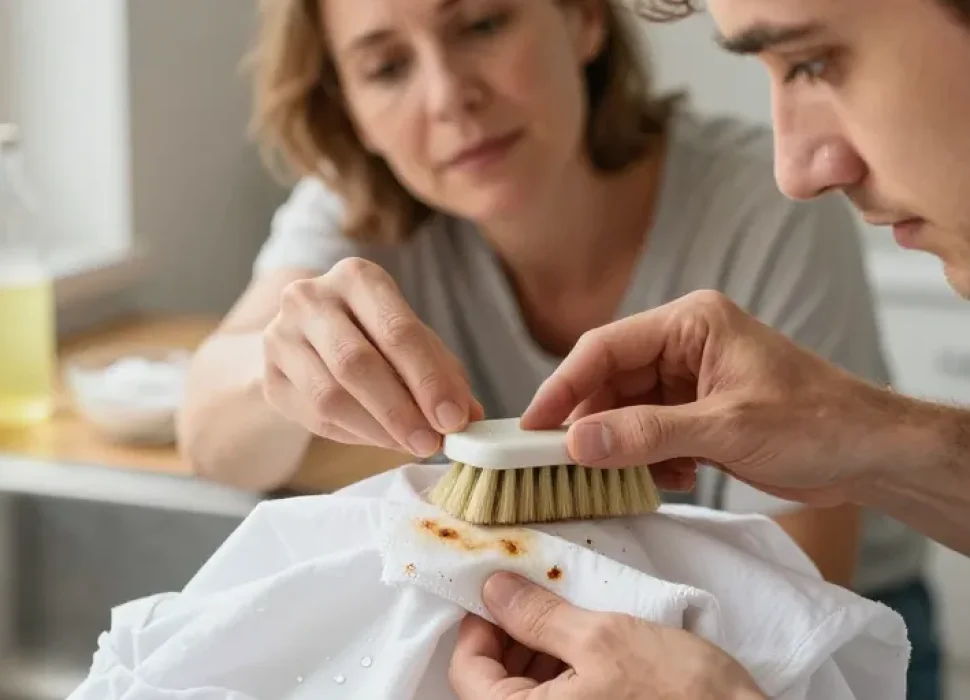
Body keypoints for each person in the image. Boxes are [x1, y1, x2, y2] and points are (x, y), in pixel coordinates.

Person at [178, 0, 938, 664]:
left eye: (482, 23)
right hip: (533, 624)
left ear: (582, 18)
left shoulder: (762, 203)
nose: (449, 98)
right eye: (385, 68)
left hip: (828, 636)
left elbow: (796, 607)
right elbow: (208, 435)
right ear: (349, 110)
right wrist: (276, 367)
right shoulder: (359, 212)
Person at [443, 0, 970, 697]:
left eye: (813, 62)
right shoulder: (367, 216)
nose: (800, 171)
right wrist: (875, 437)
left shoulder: (742, 195)